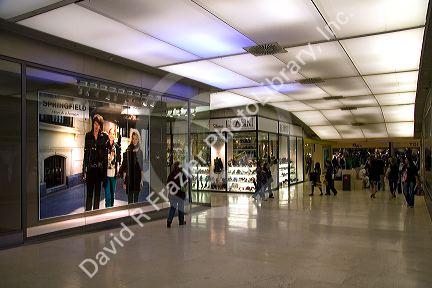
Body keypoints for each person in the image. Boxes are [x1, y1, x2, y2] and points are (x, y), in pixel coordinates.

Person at [83, 114, 109, 211]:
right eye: (95, 123)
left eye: (98, 124)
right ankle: (88, 214)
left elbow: (106, 157)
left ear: (100, 125)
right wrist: (84, 170)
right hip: (90, 170)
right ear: (93, 124)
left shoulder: (104, 137)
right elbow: (85, 154)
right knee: (89, 194)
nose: (96, 126)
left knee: (97, 195)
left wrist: (105, 175)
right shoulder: (88, 136)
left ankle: (95, 216)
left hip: (99, 170)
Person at [118, 131, 144, 204]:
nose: (134, 140)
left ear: (138, 140)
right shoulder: (128, 150)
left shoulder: (140, 152)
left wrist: (141, 180)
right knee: (130, 202)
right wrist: (124, 182)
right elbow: (125, 167)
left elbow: (141, 168)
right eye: (133, 139)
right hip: (129, 179)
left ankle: (134, 214)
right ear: (131, 140)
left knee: (136, 201)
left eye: (136, 139)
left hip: (137, 179)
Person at [104, 128, 121, 208]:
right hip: (106, 174)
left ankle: (111, 210)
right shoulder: (105, 145)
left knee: (112, 194)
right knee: (107, 194)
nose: (111, 135)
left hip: (113, 173)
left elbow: (119, 160)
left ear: (115, 136)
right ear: (108, 135)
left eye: (113, 134)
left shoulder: (117, 147)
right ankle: (107, 210)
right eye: (110, 133)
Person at [166, 162, 187, 228]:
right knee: (181, 208)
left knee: (172, 208)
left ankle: (169, 221)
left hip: (172, 194)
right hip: (180, 194)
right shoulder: (182, 173)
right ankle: (181, 221)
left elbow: (168, 183)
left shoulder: (171, 174)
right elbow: (185, 182)